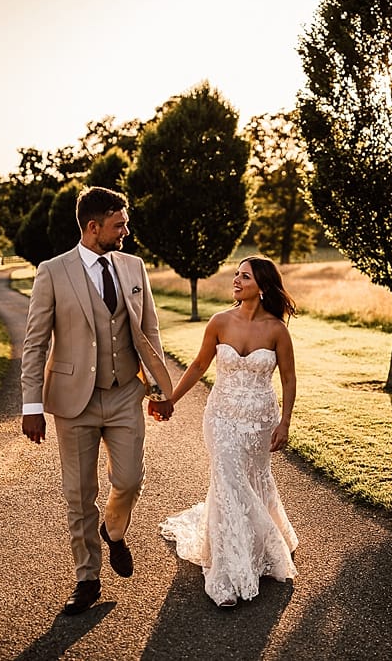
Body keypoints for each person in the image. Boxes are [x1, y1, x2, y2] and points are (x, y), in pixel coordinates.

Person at [20, 186, 174, 616]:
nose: (126, 230)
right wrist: (32, 406)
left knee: (130, 479)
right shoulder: (52, 272)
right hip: (74, 402)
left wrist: (160, 388)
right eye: (119, 224)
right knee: (79, 492)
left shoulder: (133, 266)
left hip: (126, 391)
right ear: (93, 227)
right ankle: (87, 578)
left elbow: (150, 330)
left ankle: (114, 527)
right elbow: (34, 344)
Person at [159, 255, 299, 607]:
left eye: (245, 276)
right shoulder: (220, 321)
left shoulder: (277, 330)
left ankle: (258, 544)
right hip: (220, 417)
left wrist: (285, 422)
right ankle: (227, 574)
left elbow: (288, 378)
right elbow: (198, 364)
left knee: (252, 480)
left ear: (263, 286)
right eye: (236, 275)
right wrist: (171, 398)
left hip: (260, 421)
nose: (236, 281)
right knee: (228, 480)